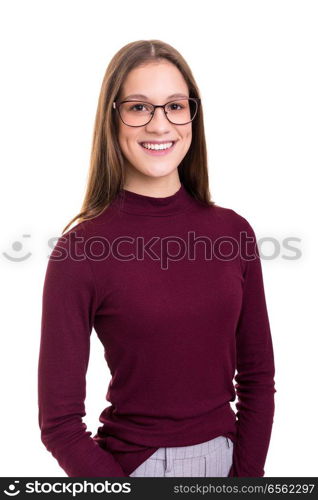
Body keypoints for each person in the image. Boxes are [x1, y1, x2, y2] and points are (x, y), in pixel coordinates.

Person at [37, 39, 276, 478]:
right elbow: (60, 425)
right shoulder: (80, 252)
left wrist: (244, 480)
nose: (160, 124)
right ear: (113, 117)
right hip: (131, 470)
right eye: (138, 107)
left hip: (227, 463)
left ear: (191, 115)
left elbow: (258, 380)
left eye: (174, 106)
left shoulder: (233, 233)